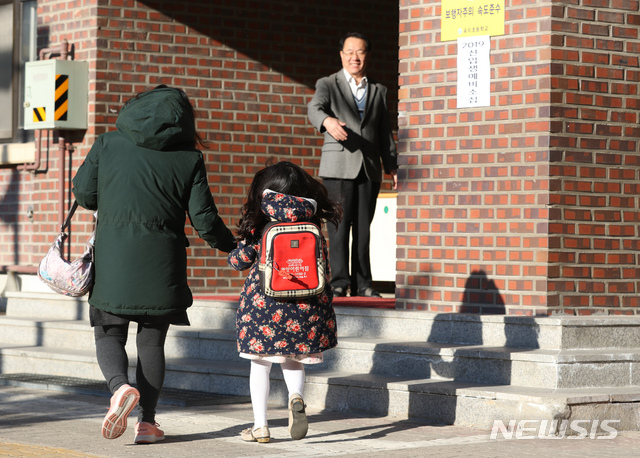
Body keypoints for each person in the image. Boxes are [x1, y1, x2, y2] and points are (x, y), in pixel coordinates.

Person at [72, 85, 237, 444]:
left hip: (114, 259)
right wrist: (233, 248)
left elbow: (84, 194)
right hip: (163, 264)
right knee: (151, 343)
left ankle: (119, 390)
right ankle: (147, 423)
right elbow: (204, 219)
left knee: (109, 333)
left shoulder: (108, 143)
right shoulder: (189, 158)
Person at [227, 161, 341, 443]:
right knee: (294, 361)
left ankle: (261, 425)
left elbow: (238, 262)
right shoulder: (313, 224)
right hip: (305, 308)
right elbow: (323, 271)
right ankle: (296, 396)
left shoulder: (263, 225)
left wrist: (236, 251)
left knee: (260, 366)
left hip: (264, 310)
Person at [308, 32, 398, 298]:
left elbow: (385, 133)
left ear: (366, 56)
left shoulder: (379, 90)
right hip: (338, 166)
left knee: (363, 228)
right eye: (349, 52)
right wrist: (327, 122)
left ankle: (364, 283)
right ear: (341, 55)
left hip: (369, 168)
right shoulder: (328, 83)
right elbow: (315, 107)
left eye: (359, 52)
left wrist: (392, 166)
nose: (354, 57)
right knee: (338, 226)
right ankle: (339, 281)